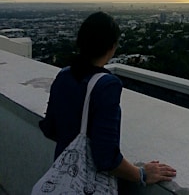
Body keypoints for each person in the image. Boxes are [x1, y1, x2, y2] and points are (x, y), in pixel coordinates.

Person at [39, 11, 176, 190]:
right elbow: (106, 158)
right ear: (112, 46)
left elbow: (50, 129)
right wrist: (142, 174)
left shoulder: (64, 75)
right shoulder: (106, 85)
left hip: (62, 179)